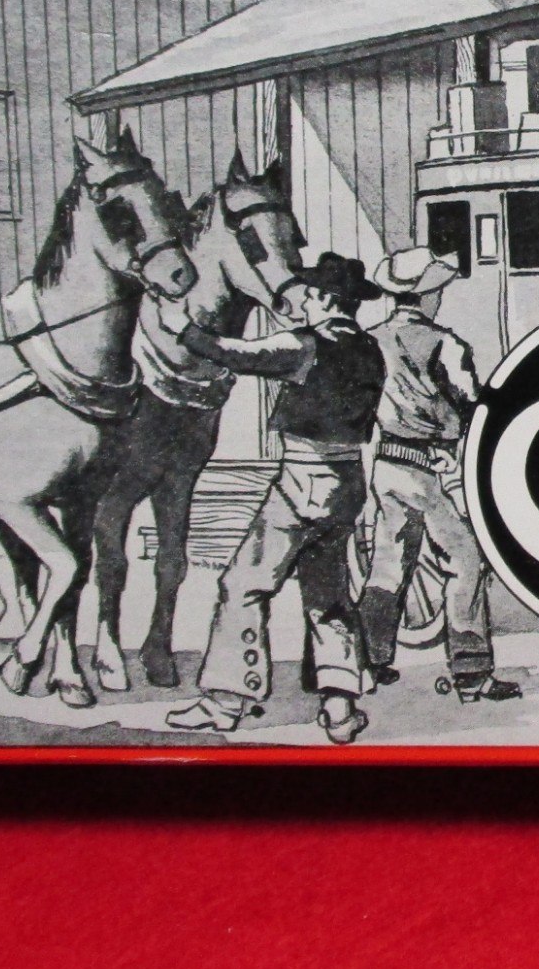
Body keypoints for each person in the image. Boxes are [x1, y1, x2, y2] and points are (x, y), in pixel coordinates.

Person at [164, 253, 386, 744]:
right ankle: (339, 708)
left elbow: (240, 355)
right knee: (328, 596)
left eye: (310, 294)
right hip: (348, 481)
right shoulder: (369, 348)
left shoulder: (308, 344)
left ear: (327, 298)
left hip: (303, 479)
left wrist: (185, 330)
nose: (303, 302)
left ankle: (225, 701)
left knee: (243, 583)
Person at [350, 247, 519, 704]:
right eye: (438, 291)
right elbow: (472, 401)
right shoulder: (447, 345)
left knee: (388, 563)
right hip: (430, 467)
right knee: (465, 560)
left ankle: (368, 661)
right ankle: (471, 671)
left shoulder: (370, 341)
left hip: (387, 464)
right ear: (427, 296)